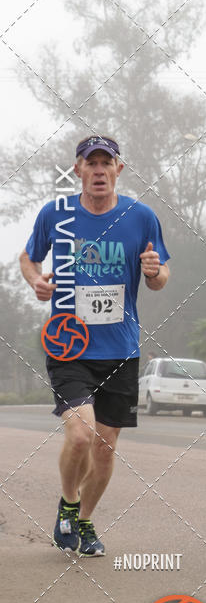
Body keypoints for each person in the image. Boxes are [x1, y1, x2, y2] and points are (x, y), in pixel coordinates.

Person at [19, 135, 170, 557]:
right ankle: (68, 503)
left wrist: (155, 272)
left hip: (121, 349)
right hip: (69, 345)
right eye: (92, 163)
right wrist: (36, 280)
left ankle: (83, 521)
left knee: (105, 447)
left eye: (108, 162)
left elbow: (160, 279)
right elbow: (28, 257)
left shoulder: (141, 217)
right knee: (81, 435)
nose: (100, 170)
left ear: (119, 169)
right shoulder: (57, 214)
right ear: (78, 170)